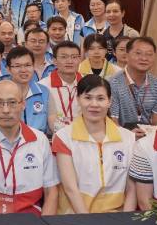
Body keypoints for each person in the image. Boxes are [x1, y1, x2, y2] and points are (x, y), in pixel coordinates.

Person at [0, 79, 58, 215]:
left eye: (12, 103)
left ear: (23, 104)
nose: (6, 110)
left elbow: (51, 191)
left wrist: (45, 224)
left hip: (33, 219)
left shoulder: (40, 140)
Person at [52, 75, 137, 213]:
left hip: (117, 214)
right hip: (75, 215)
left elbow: (131, 188)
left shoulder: (128, 138)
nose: (94, 104)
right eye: (88, 98)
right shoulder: (64, 137)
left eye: (100, 98)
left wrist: (127, 218)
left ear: (110, 101)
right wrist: (87, 221)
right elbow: (70, 188)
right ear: (78, 99)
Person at [108, 37, 157, 133]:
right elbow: (112, 122)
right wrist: (129, 136)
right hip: (121, 137)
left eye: (149, 54)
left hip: (149, 137)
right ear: (127, 55)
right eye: (138, 53)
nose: (144, 58)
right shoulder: (112, 83)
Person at [6, 46, 49, 134]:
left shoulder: (44, 92)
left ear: (33, 66)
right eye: (17, 66)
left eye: (28, 65)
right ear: (8, 69)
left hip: (39, 140)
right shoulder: (0, 92)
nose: (23, 70)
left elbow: (51, 121)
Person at [46, 41, 82, 135]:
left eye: (74, 57)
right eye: (64, 57)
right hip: (55, 136)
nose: (69, 61)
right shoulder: (43, 86)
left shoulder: (88, 84)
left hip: (83, 135)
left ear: (80, 59)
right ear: (54, 60)